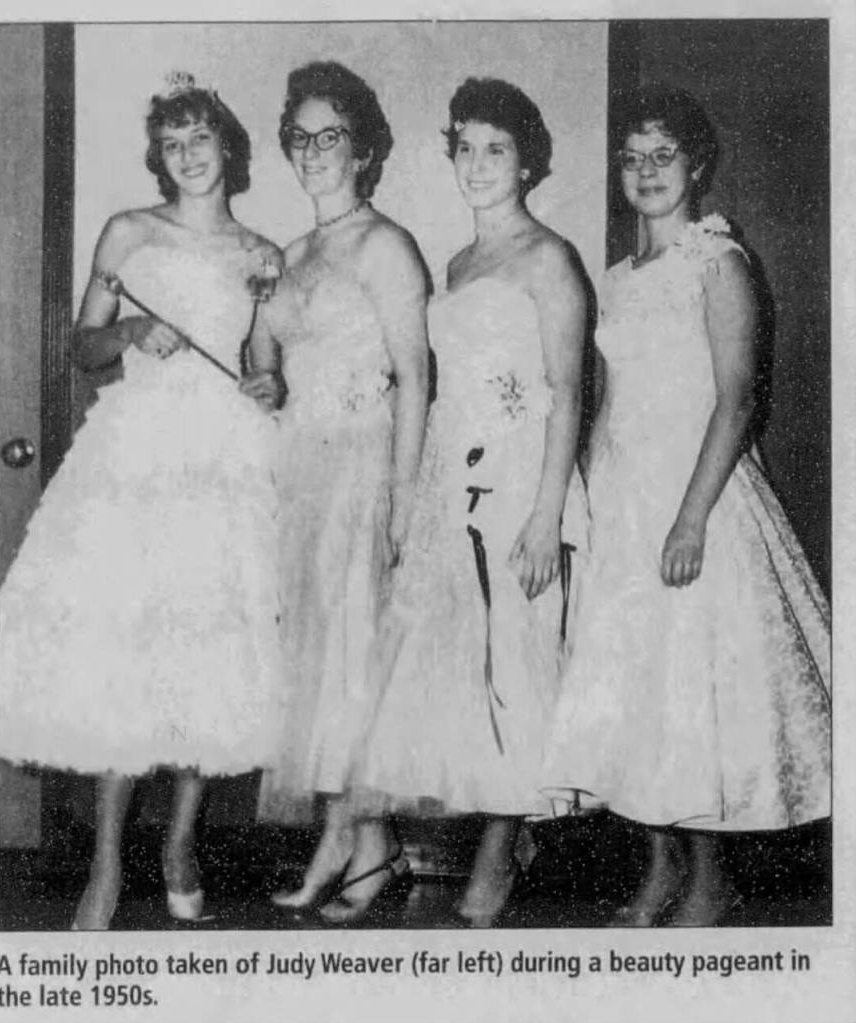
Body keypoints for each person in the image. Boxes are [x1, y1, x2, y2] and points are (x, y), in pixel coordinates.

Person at [0, 72, 285, 930]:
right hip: (136, 458)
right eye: (173, 144)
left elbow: (263, 362)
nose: (189, 156)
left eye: (202, 140)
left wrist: (268, 382)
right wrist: (125, 332)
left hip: (224, 461)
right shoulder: (128, 232)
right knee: (126, 656)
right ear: (159, 157)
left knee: (206, 657)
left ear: (228, 147)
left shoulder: (262, 251)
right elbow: (83, 347)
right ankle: (107, 863)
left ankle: (181, 844)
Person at [541, 85, 831, 926]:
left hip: (694, 497)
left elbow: (738, 401)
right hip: (625, 498)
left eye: (662, 156)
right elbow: (611, 399)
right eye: (632, 159)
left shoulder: (720, 262)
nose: (645, 172)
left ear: (696, 163)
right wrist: (585, 505)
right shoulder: (621, 276)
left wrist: (692, 517)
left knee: (687, 692)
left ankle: (711, 878)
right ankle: (660, 870)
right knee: (631, 692)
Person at [318, 77, 590, 927]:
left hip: (520, 484)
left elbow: (570, 394)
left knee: (516, 660)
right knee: (458, 668)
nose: (478, 165)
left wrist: (546, 513)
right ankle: (480, 838)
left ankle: (501, 850)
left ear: (527, 161)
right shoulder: (459, 263)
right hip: (452, 475)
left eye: (496, 150)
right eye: (465, 148)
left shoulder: (551, 259)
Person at [248, 62, 430, 914]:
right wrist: (262, 377)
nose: (314, 152)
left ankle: (371, 844)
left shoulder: (386, 244)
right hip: (300, 470)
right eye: (301, 137)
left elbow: (417, 380)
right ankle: (347, 839)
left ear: (364, 151)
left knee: (356, 659)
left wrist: (402, 496)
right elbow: (267, 361)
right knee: (313, 664)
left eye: (332, 137)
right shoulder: (288, 254)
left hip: (363, 467)